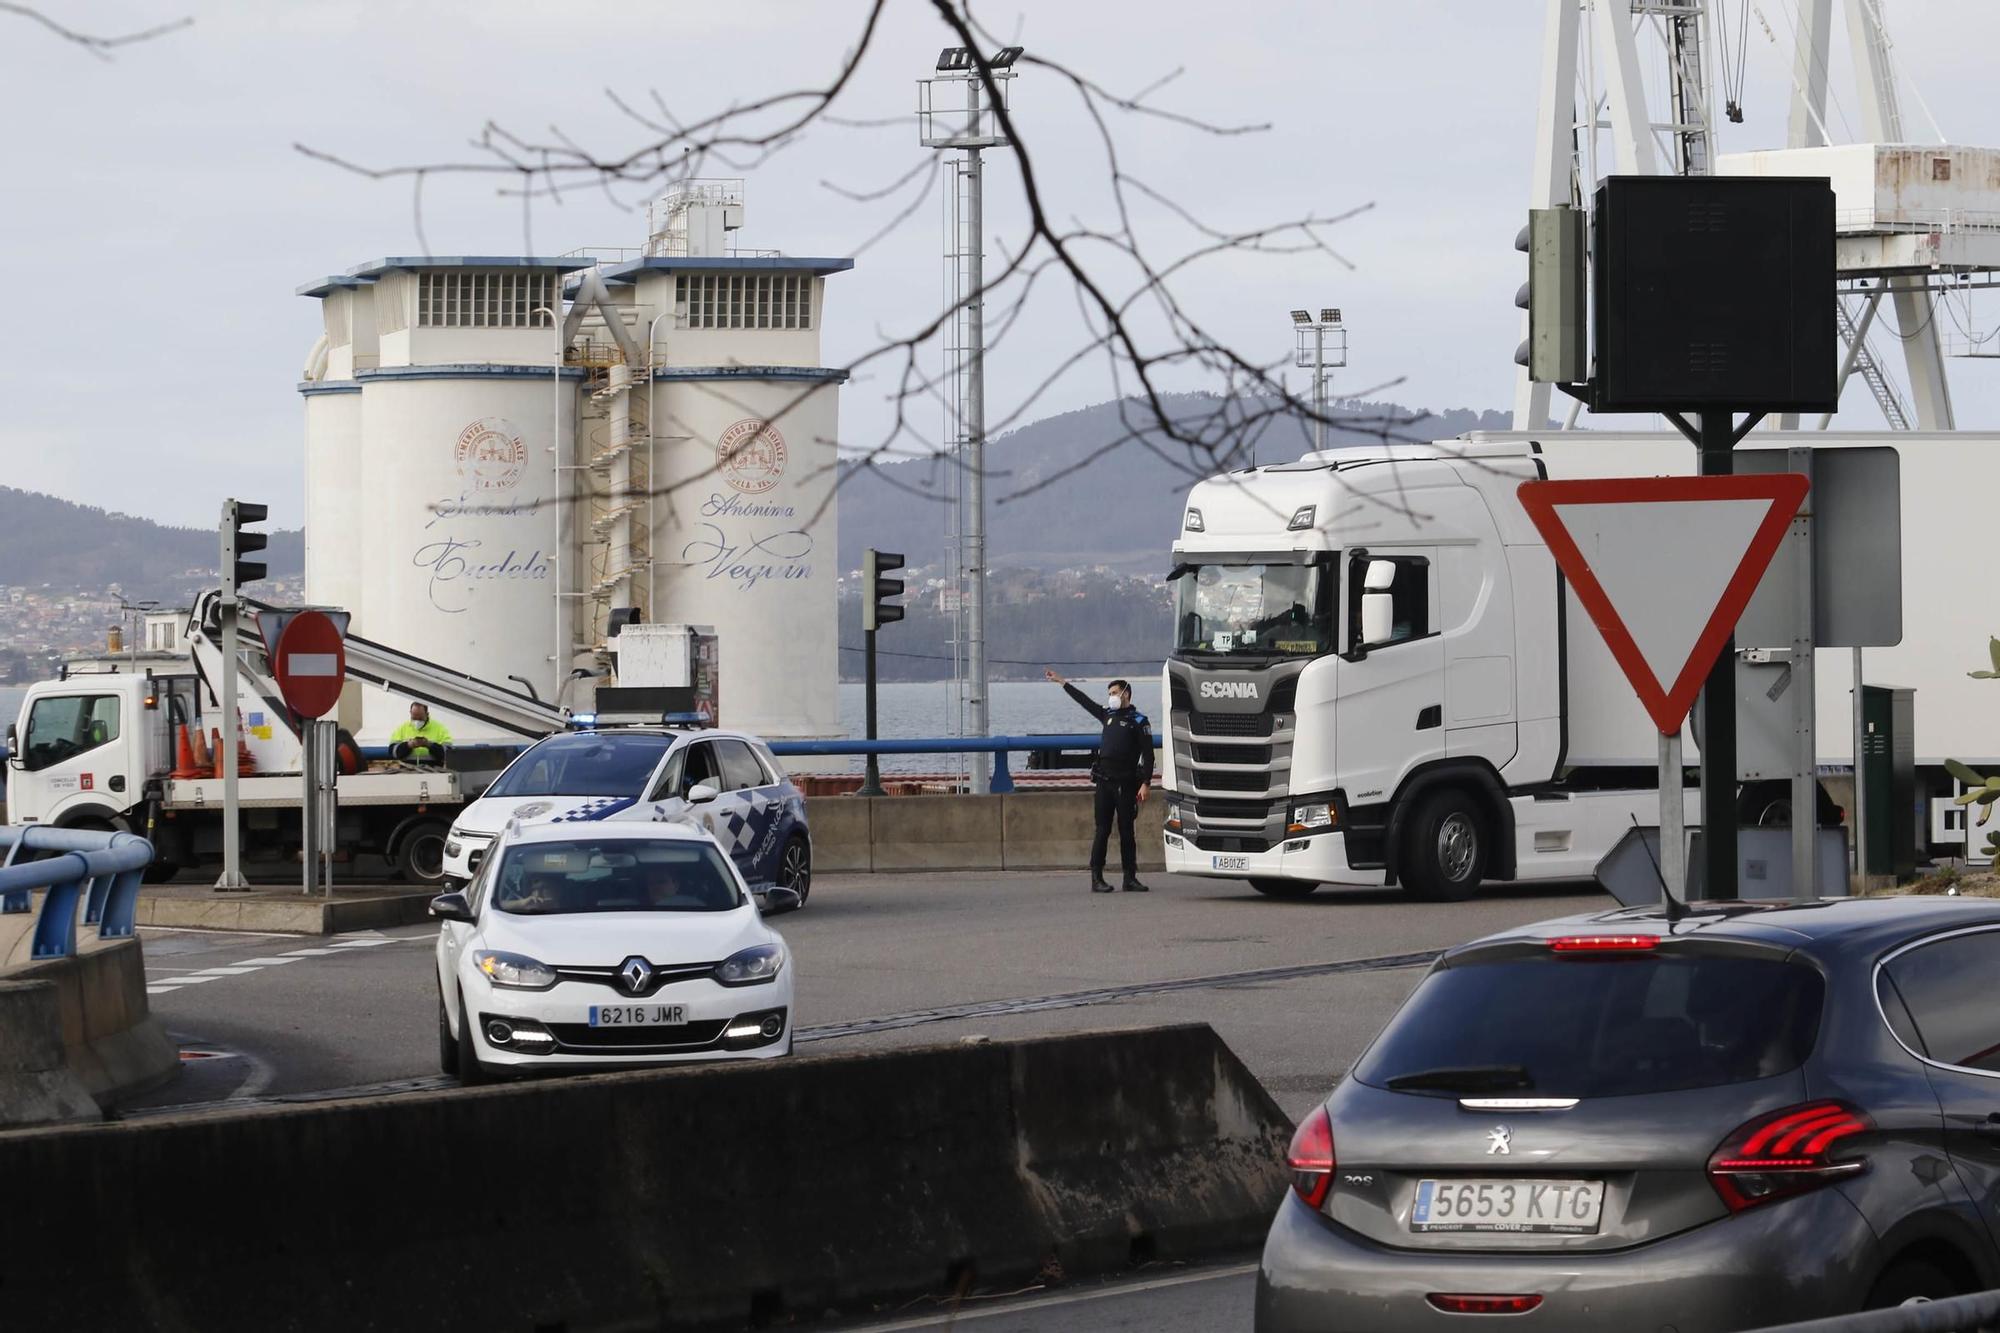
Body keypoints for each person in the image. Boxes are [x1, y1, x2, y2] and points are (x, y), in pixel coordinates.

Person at [1045, 668, 1155, 893]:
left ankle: (1130, 877)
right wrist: (1062, 682)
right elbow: (1084, 701)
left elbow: (1149, 755)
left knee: (1126, 831)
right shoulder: (1107, 715)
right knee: (1102, 830)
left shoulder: (1139, 721)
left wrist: (1146, 783)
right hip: (1104, 782)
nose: (1111, 696)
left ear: (1126, 694)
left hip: (1126, 783)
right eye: (1109, 693)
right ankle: (1096, 877)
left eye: (1114, 692)